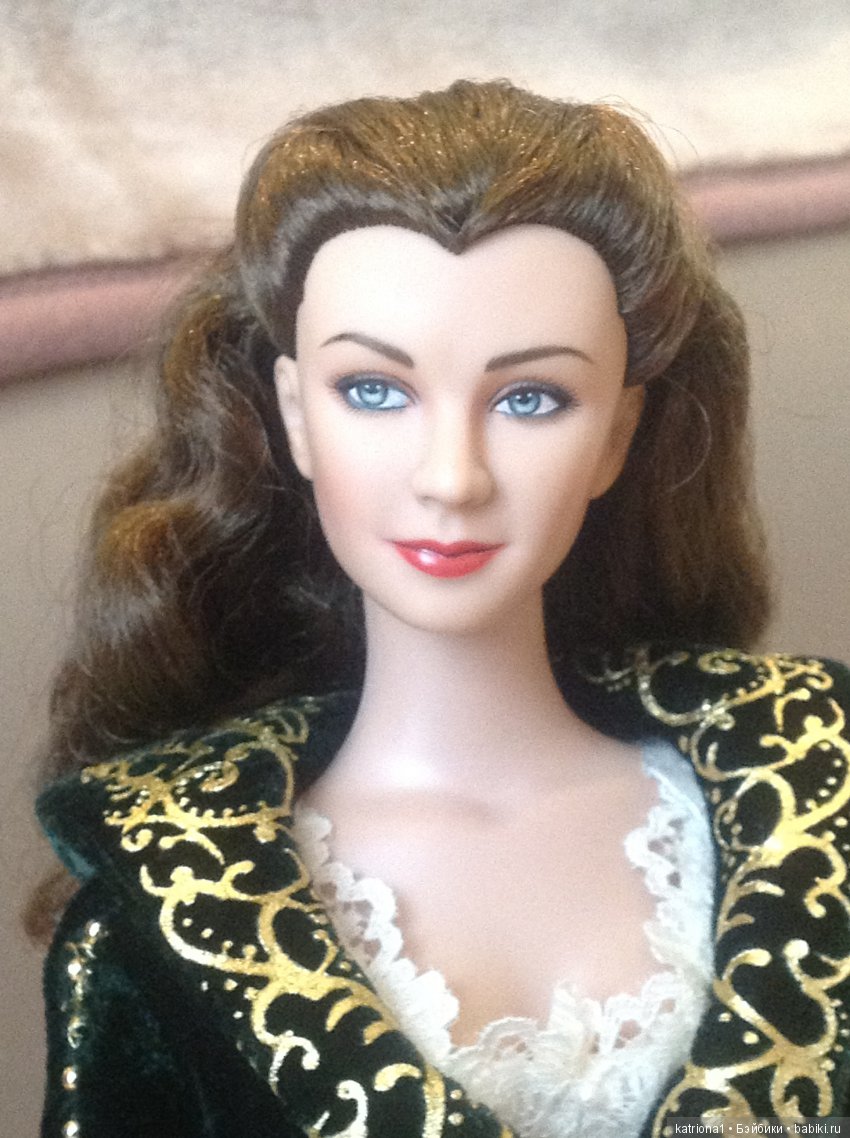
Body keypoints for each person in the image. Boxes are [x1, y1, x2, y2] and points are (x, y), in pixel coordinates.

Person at [33, 80, 850, 1138]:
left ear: (615, 435)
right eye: (374, 390)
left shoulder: (812, 791)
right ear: (296, 415)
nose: (451, 477)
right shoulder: (164, 904)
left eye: (530, 398)